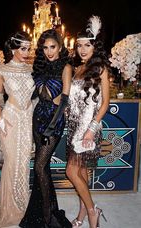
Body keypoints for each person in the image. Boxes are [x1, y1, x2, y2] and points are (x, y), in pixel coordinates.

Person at [0, 31, 35, 227]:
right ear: (13, 49)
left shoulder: (32, 69)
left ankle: (23, 205)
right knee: (11, 162)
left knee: (24, 161)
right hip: (9, 119)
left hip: (27, 119)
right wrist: (0, 117)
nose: (27, 52)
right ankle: (9, 209)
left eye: (29, 48)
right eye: (23, 48)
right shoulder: (1, 70)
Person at [19, 29, 72, 228]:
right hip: (38, 118)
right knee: (45, 167)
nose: (49, 51)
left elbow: (64, 101)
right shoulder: (40, 67)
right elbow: (33, 94)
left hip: (54, 121)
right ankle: (42, 210)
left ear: (60, 47)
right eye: (46, 47)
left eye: (53, 47)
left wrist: (51, 128)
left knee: (39, 165)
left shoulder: (65, 67)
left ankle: (48, 217)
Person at [65, 16, 111, 228]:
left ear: (95, 46)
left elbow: (105, 104)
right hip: (74, 126)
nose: (82, 49)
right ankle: (83, 212)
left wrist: (92, 130)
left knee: (71, 172)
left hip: (88, 128)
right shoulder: (79, 68)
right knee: (81, 173)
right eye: (79, 45)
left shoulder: (101, 68)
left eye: (87, 45)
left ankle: (93, 211)